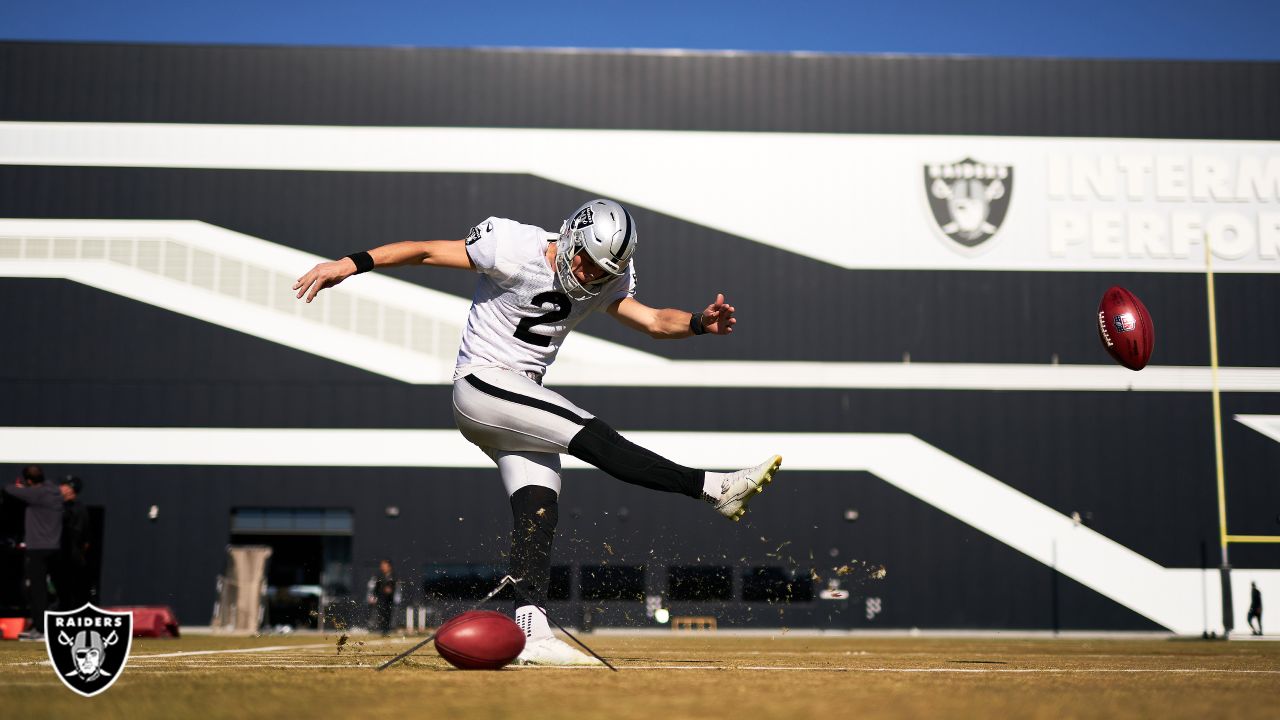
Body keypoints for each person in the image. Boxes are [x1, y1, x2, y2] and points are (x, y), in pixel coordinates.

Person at [295, 199, 782, 665]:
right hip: (483, 383)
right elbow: (424, 250)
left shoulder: (604, 278)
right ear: (572, 235)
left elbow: (653, 320)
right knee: (592, 434)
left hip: (518, 405)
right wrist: (350, 263)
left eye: (603, 272)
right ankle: (710, 487)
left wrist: (697, 323)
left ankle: (533, 632)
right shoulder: (512, 245)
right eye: (589, 263)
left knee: (538, 512)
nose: (591, 276)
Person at [2, 465, 62, 640]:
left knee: (36, 591)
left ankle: (41, 629)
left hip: (38, 549)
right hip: (53, 548)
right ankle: (42, 627)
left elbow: (8, 489)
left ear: (29, 481)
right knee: (48, 590)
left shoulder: (36, 494)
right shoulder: (53, 491)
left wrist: (22, 489)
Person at [55, 476, 91, 611]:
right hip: (67, 556)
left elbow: (86, 539)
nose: (60, 488)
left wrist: (77, 553)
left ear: (70, 489)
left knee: (68, 593)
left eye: (64, 485)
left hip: (69, 557)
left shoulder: (76, 509)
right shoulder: (61, 505)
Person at [366, 559, 399, 636]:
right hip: (381, 599)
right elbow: (376, 588)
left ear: (389, 567)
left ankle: (387, 629)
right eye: (382, 566)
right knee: (381, 613)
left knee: (388, 613)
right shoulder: (379, 576)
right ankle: (381, 629)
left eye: (384, 565)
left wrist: (390, 590)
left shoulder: (392, 576)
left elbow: (393, 586)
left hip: (389, 599)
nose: (382, 567)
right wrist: (373, 596)